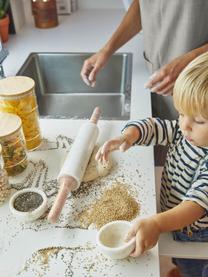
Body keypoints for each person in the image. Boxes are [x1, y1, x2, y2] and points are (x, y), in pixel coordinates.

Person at [95, 52, 208, 277]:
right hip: (172, 215)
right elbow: (155, 127)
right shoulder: (185, 132)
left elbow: (194, 207)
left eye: (199, 120)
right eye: (181, 113)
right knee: (179, 257)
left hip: (194, 232)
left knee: (194, 265)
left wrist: (157, 223)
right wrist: (128, 136)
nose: (184, 124)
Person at [81, 0, 208, 120]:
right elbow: (144, 5)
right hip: (157, 77)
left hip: (199, 80)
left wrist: (193, 60)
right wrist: (107, 50)